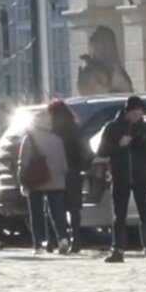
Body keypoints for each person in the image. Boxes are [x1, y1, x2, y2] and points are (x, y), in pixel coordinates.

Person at [98, 96, 146, 263]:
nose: (137, 117)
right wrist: (119, 144)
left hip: (141, 178)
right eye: (134, 114)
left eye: (140, 114)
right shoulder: (112, 128)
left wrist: (140, 143)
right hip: (120, 177)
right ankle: (118, 250)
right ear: (127, 112)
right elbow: (102, 151)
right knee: (119, 216)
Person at [19, 109, 72, 255]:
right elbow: (64, 163)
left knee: (36, 213)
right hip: (56, 181)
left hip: (36, 180)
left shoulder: (29, 139)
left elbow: (23, 162)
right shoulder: (57, 139)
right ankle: (63, 237)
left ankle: (39, 244)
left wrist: (22, 180)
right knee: (57, 212)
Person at [49, 100, 91, 252]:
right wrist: (83, 167)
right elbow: (86, 153)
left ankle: (57, 239)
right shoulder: (75, 129)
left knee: (55, 207)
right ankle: (76, 240)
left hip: (54, 173)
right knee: (74, 209)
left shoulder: (51, 132)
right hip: (73, 172)